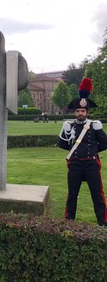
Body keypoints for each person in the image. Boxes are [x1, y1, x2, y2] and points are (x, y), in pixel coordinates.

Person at [59, 78, 107, 226]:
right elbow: (62, 144)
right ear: (75, 112)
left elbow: (105, 143)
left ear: (87, 112)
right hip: (75, 164)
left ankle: (103, 222)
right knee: (72, 194)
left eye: (83, 111)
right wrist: (76, 152)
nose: (80, 113)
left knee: (97, 195)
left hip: (91, 164)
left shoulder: (95, 125)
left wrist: (92, 151)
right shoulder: (69, 125)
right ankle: (69, 221)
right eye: (78, 111)